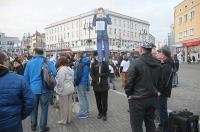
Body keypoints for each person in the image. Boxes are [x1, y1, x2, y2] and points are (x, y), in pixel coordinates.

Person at [125, 42, 162, 132]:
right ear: (150, 50)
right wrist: (156, 91)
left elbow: (129, 81)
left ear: (141, 50)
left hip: (138, 99)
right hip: (152, 97)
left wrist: (128, 93)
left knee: (137, 127)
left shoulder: (135, 62)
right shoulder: (158, 63)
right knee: (150, 124)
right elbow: (161, 83)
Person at [0, 51, 35, 132]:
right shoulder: (19, 79)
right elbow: (30, 102)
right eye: (8, 59)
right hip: (13, 123)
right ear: (4, 62)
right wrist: (21, 115)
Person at [24, 47, 57, 132]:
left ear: (34, 53)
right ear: (42, 53)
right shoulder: (47, 61)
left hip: (33, 89)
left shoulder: (29, 63)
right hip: (45, 89)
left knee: (33, 108)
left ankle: (33, 126)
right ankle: (43, 127)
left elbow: (26, 78)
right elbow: (55, 72)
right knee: (44, 108)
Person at [157, 48, 175, 132]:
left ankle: (165, 129)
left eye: (159, 53)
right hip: (161, 92)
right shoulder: (164, 63)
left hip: (162, 93)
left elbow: (164, 82)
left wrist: (159, 91)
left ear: (163, 55)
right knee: (160, 111)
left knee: (163, 112)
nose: (158, 54)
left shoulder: (168, 65)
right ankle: (161, 126)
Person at [54, 56, 74, 125]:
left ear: (60, 62)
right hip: (70, 88)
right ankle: (69, 119)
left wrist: (59, 91)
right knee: (69, 104)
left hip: (64, 90)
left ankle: (63, 120)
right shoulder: (70, 69)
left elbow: (60, 81)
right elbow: (72, 79)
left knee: (63, 106)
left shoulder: (62, 70)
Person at [90, 51, 110, 121]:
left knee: (104, 100)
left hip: (104, 84)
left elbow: (108, 73)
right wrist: (96, 80)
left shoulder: (105, 64)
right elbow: (91, 74)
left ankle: (104, 114)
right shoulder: (93, 64)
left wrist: (101, 75)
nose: (98, 58)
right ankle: (100, 112)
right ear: (95, 57)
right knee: (98, 100)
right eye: (97, 57)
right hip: (96, 85)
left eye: (100, 57)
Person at [74, 52, 91, 119]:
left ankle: (84, 112)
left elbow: (79, 74)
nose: (74, 57)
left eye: (75, 56)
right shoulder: (86, 63)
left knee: (81, 98)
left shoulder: (80, 63)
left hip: (80, 82)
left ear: (78, 57)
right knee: (84, 97)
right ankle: (86, 110)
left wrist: (76, 82)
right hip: (84, 81)